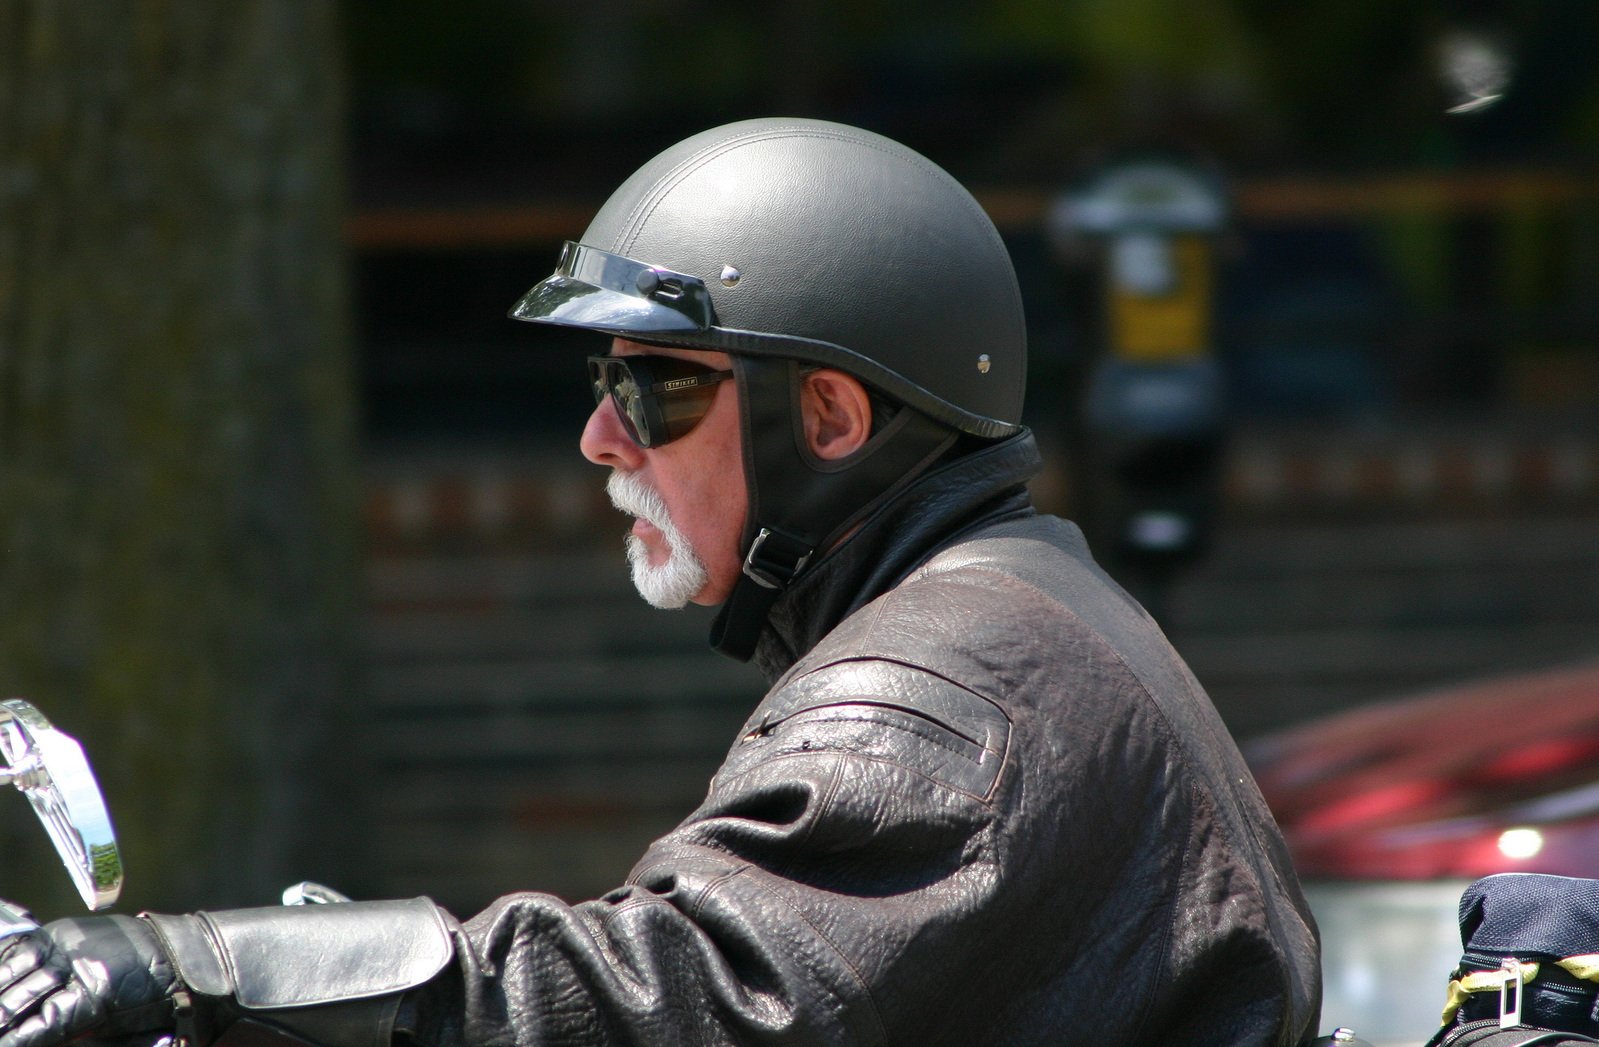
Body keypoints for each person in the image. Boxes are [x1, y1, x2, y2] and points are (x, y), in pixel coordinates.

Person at [0, 118, 1321, 1046]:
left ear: (832, 419)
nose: (600, 437)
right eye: (600, 383)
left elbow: (686, 997)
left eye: (653, 386)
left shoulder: (938, 691)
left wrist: (185, 969)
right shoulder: (1018, 604)